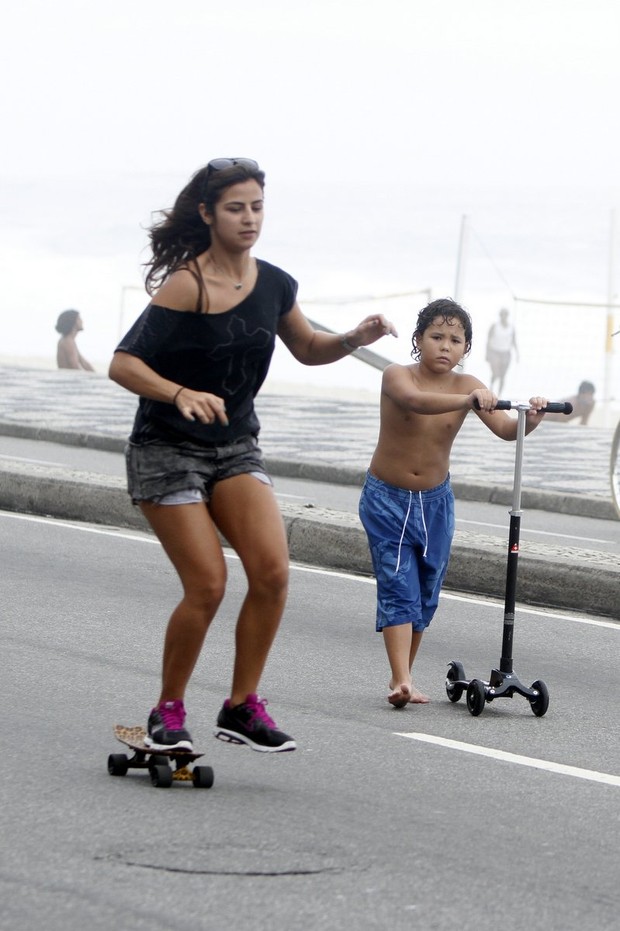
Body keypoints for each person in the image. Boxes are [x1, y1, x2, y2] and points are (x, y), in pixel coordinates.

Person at [108, 157, 397, 753]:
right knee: (208, 584)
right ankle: (167, 711)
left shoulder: (274, 284)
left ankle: (241, 706)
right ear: (208, 214)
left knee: (271, 572)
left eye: (257, 207)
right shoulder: (187, 284)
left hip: (235, 446)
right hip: (166, 450)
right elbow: (124, 363)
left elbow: (309, 349)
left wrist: (352, 339)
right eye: (236, 208)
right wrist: (179, 392)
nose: (248, 219)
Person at [359, 298, 548, 708]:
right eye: (436, 336)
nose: (445, 345)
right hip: (386, 499)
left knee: (426, 591)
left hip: (436, 503)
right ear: (418, 340)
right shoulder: (397, 376)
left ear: (466, 348)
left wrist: (530, 420)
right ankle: (400, 678)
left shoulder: (469, 385)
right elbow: (415, 402)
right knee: (398, 585)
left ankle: (404, 678)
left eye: (455, 340)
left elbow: (505, 429)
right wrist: (468, 401)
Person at [486, 307, 518, 394]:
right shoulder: (494, 326)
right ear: (500, 316)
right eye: (502, 315)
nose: (503, 317)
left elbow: (514, 341)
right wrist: (487, 354)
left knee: (503, 375)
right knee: (495, 373)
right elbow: (488, 340)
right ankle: (491, 389)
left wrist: (517, 354)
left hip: (506, 353)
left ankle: (499, 395)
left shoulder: (511, 328)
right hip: (495, 351)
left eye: (505, 315)